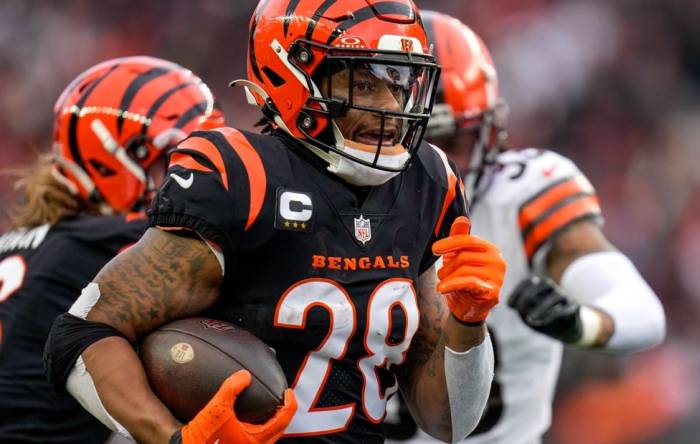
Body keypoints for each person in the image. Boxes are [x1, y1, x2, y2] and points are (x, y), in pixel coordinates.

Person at [44, 1, 506, 444]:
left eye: (400, 81)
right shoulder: (244, 176)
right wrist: (170, 438)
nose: (389, 106)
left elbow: (449, 422)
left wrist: (468, 325)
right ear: (293, 74)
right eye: (363, 83)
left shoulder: (429, 181)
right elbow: (82, 334)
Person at [384, 11, 666, 444]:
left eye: (451, 142)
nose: (435, 165)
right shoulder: (315, 198)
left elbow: (641, 311)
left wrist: (580, 323)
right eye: (416, 142)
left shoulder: (520, 197)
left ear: (490, 133)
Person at [0, 56, 224, 443]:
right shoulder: (113, 242)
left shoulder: (18, 242)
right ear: (116, 159)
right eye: (178, 165)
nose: (193, 182)